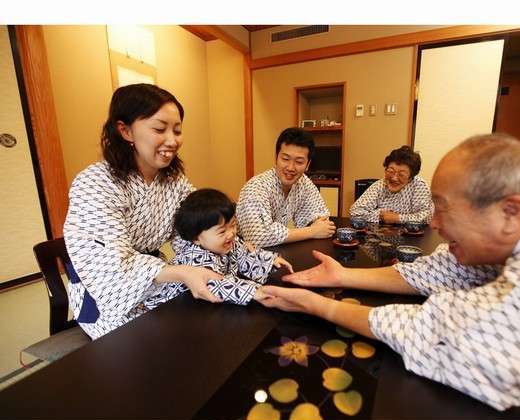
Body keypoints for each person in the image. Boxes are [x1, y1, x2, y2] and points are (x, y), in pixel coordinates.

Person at [257, 133, 520, 411]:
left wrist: (318, 306)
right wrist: (342, 276)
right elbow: (440, 271)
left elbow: (437, 332)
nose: (433, 223)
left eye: (443, 209)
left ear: (510, 212)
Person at [63, 83, 221, 340]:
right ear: (125, 130)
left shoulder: (174, 181)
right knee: (153, 343)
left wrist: (230, 241)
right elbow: (111, 268)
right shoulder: (94, 183)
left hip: (155, 275)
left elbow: (196, 226)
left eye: (177, 130)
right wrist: (182, 272)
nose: (172, 140)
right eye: (160, 129)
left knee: (202, 315)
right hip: (104, 294)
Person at [146, 188, 293, 307]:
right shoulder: (195, 257)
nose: (231, 234)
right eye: (222, 231)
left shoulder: (229, 243)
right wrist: (254, 291)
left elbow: (246, 256)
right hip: (170, 310)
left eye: (233, 225)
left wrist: (269, 261)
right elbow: (215, 283)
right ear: (196, 238)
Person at [236, 127, 336, 248]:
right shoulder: (256, 187)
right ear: (276, 158)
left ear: (308, 165)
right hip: (244, 257)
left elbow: (321, 219)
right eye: (285, 159)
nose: (290, 167)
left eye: (299, 162)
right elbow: (257, 237)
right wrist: (312, 231)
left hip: (274, 254)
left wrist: (316, 226)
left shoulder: (303, 183)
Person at [349, 146, 434, 224]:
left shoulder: (419, 186)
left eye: (401, 174)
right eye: (390, 171)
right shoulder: (380, 185)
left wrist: (398, 218)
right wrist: (381, 215)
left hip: (413, 238)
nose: (394, 178)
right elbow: (355, 212)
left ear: (410, 178)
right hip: (381, 236)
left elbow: (424, 218)